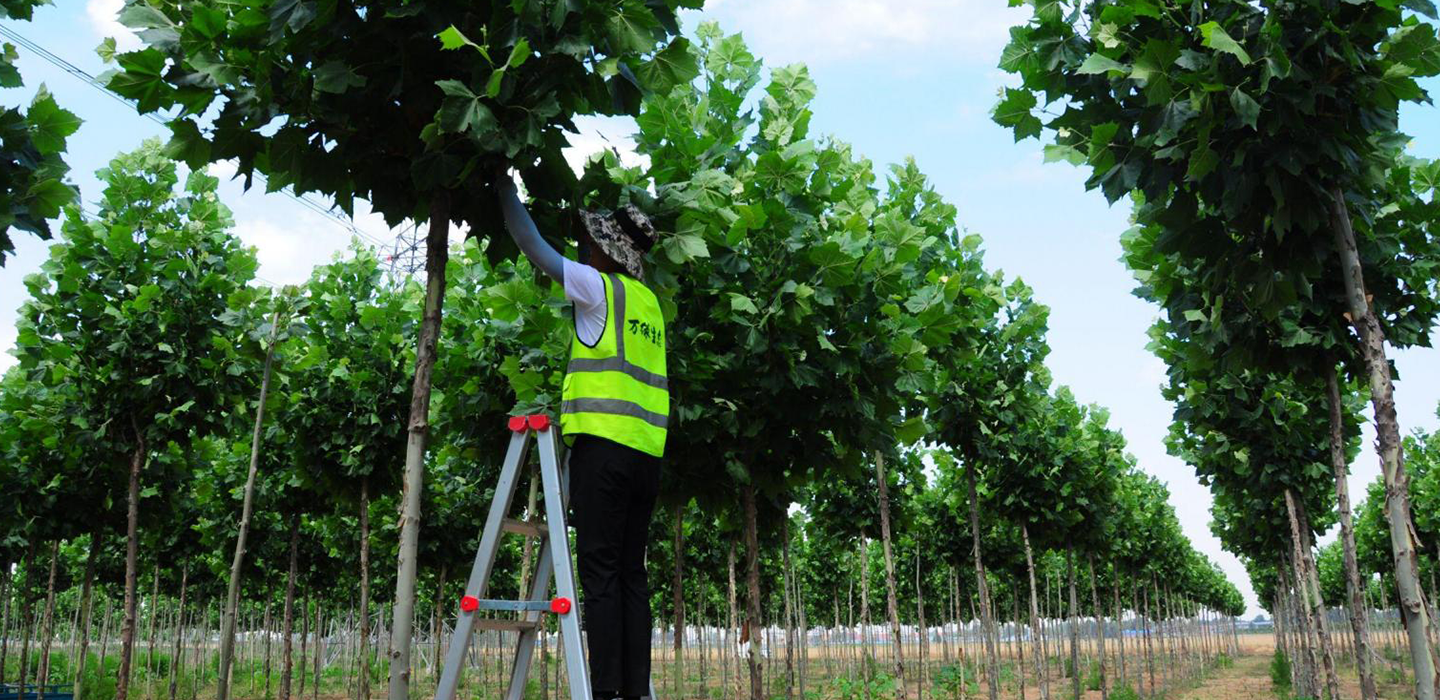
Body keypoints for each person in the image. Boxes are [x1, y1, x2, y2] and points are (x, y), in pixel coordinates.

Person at [494, 168, 669, 700]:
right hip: (647, 457)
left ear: (610, 253)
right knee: (632, 575)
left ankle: (609, 692)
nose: (585, 249)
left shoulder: (598, 288)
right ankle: (635, 691)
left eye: (592, 242)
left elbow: (535, 248)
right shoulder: (650, 305)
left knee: (600, 572)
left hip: (603, 451)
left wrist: (501, 185)